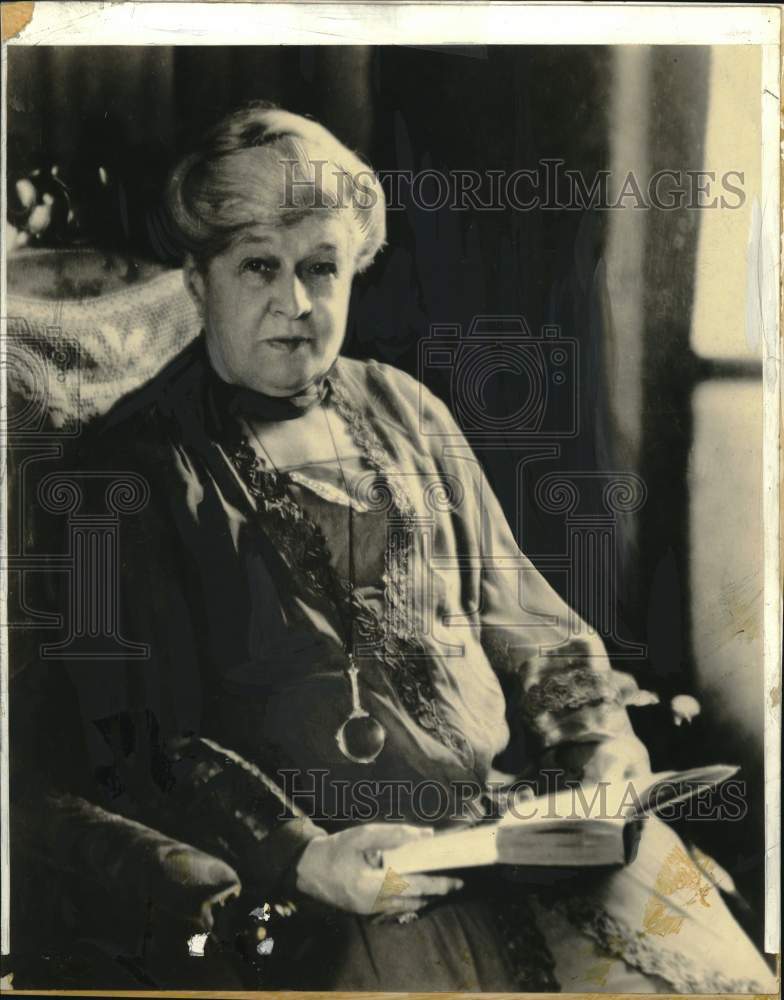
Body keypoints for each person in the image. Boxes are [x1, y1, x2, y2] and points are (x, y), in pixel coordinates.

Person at [11, 102, 774, 993]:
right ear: (198, 283)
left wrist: (599, 743)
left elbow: (524, 615)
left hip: (522, 834)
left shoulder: (406, 409)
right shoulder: (129, 475)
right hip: (345, 888)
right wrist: (304, 854)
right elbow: (142, 739)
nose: (295, 304)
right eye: (259, 267)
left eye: (321, 269)